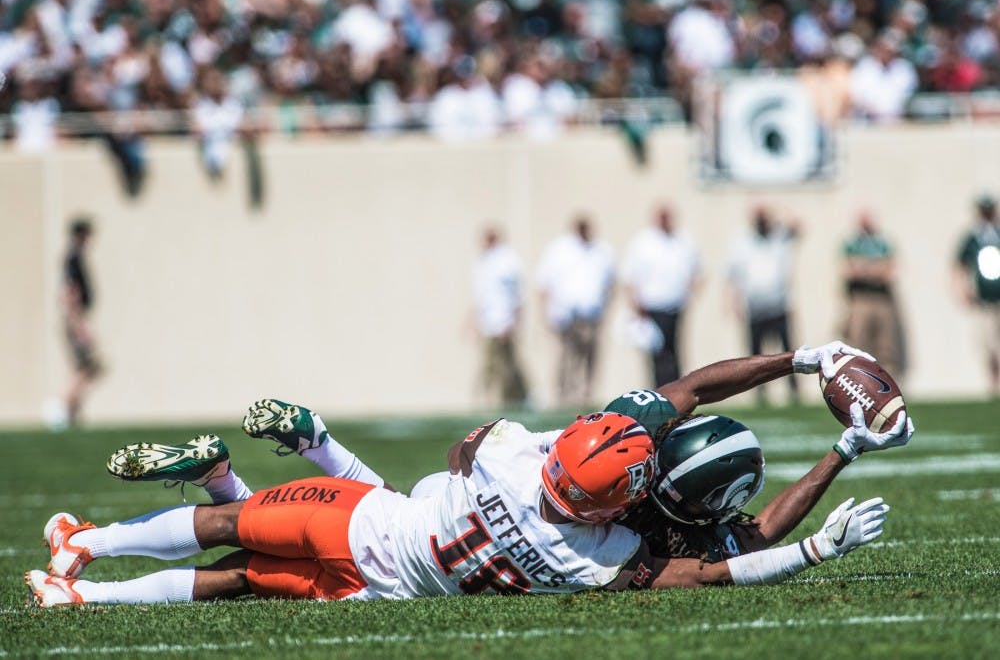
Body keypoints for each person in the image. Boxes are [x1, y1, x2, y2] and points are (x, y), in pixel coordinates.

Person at [26, 341, 910, 605]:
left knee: (241, 546)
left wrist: (800, 357)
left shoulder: (519, 445)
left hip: (382, 532)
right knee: (240, 567)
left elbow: (465, 452)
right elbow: (724, 563)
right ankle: (84, 570)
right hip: (391, 574)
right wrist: (821, 531)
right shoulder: (589, 558)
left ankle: (89, 548)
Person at [537, 216, 615, 406]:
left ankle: (586, 394)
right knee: (566, 357)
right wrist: (546, 313)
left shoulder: (601, 251)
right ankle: (564, 395)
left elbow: (611, 283)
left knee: (589, 357)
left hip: (590, 315)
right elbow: (544, 283)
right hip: (566, 315)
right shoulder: (559, 250)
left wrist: (605, 310)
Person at [726, 206, 800, 405]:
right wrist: (733, 303)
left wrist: (775, 213)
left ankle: (794, 391)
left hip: (778, 305)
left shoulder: (779, 237)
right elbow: (733, 275)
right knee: (756, 354)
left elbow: (798, 224)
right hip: (755, 307)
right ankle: (759, 393)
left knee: (787, 354)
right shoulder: (742, 241)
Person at [621, 205, 700, 386]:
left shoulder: (683, 241)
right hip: (651, 309)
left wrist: (689, 297)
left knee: (674, 352)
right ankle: (659, 391)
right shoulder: (642, 242)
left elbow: (698, 272)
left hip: (674, 307)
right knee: (656, 354)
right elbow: (629, 277)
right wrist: (635, 304)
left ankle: (677, 390)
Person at [841, 212, 906, 380]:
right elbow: (849, 271)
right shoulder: (852, 244)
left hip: (882, 300)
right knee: (858, 344)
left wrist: (863, 267)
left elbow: (888, 271)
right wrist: (874, 267)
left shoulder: (882, 244)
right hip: (860, 300)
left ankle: (888, 384)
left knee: (886, 346)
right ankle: (859, 382)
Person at [473, 227, 528, 407]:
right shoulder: (484, 261)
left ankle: (509, 400)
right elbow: (481, 296)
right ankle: (487, 399)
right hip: (488, 323)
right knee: (488, 365)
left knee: (506, 367)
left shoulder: (507, 261)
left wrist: (513, 321)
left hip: (503, 322)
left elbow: (516, 295)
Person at [954, 194, 1000, 396]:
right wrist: (963, 289)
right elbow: (960, 265)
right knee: (988, 344)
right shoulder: (973, 238)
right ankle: (994, 384)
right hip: (983, 301)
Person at [62, 218, 102, 427]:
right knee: (84, 368)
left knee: (88, 367)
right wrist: (80, 325)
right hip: (75, 320)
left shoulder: (75, 258)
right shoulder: (73, 259)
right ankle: (63, 410)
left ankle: (72, 414)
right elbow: (71, 294)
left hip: (77, 318)